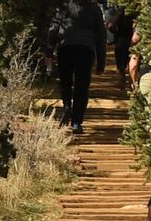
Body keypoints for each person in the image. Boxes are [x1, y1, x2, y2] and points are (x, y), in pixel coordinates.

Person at [46, 0, 107, 135]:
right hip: (86, 48)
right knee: (82, 85)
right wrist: (101, 61)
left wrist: (49, 52)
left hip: (65, 46)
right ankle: (76, 122)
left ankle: (67, 105)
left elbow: (53, 28)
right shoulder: (94, 8)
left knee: (65, 81)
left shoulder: (63, 6)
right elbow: (101, 35)